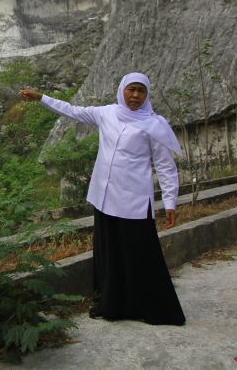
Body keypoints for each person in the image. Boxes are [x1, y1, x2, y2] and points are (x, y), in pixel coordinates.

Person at [19, 72, 186, 326]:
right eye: (131, 89)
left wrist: (170, 202)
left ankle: (150, 306)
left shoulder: (154, 125)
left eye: (141, 91)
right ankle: (113, 304)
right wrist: (41, 97)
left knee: (139, 255)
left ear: (147, 94)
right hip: (105, 199)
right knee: (111, 254)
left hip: (134, 202)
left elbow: (165, 167)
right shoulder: (107, 113)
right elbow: (72, 110)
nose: (135, 95)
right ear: (122, 90)